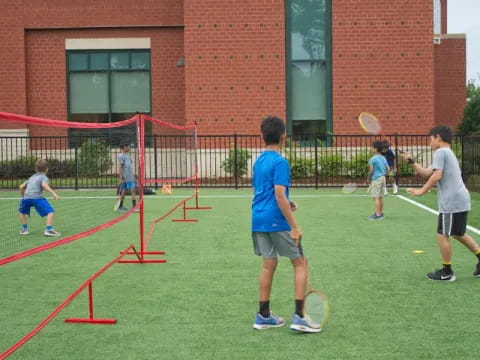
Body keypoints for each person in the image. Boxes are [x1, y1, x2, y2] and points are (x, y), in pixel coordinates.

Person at [251, 116, 319, 333]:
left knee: (268, 264)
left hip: (258, 218)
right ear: (283, 136)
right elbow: (279, 194)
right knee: (300, 263)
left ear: (262, 136)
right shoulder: (280, 162)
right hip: (276, 220)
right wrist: (294, 226)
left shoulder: (259, 160)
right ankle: (300, 317)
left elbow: (268, 192)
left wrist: (287, 203)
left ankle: (263, 316)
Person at [403, 125, 480, 281]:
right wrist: (412, 161)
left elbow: (437, 175)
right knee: (459, 234)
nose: (430, 143)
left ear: (438, 137)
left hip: (452, 201)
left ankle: (447, 272)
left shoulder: (441, 152)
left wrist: (421, 191)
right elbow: (426, 172)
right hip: (460, 199)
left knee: (442, 234)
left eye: (430, 139)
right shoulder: (447, 153)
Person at [18, 159, 61, 236]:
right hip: (37, 198)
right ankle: (49, 230)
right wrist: (54, 194)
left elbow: (21, 187)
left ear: (35, 169)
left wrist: (23, 196)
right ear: (47, 169)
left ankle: (25, 229)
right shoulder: (43, 177)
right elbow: (44, 185)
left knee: (22, 212)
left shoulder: (31, 177)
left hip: (26, 198)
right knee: (50, 211)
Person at [367, 140, 389, 220]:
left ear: (375, 149)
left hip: (376, 179)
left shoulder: (373, 159)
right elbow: (388, 169)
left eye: (372, 147)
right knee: (380, 197)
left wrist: (368, 178)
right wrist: (385, 176)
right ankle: (380, 213)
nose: (370, 148)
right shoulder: (383, 158)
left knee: (376, 197)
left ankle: (377, 215)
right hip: (383, 178)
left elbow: (371, 170)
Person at [116, 142, 137, 212]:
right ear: (124, 147)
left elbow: (129, 167)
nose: (129, 148)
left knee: (128, 191)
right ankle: (132, 207)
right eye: (128, 146)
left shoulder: (128, 156)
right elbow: (120, 167)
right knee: (129, 191)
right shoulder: (121, 156)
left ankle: (121, 206)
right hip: (125, 178)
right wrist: (120, 177)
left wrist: (133, 176)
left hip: (130, 177)